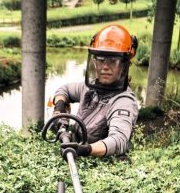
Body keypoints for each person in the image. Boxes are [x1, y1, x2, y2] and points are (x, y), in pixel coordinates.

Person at [51, 24, 140, 158]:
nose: (105, 67)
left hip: (104, 165)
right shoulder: (89, 88)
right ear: (94, 62)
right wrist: (59, 107)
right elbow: (64, 90)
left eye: (113, 61)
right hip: (76, 152)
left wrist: (86, 150)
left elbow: (119, 141)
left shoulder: (124, 101)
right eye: (101, 60)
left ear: (124, 65)